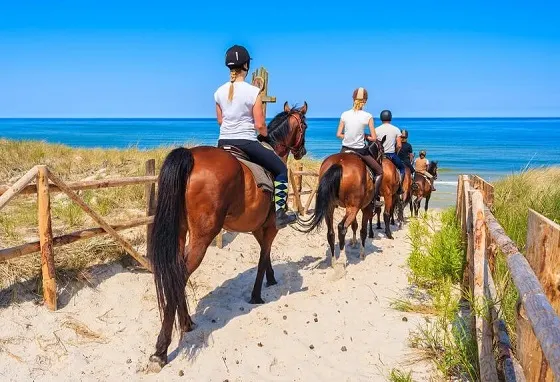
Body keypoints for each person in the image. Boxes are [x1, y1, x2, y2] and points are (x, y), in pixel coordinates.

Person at [214, 44, 297, 229]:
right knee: (281, 170)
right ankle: (280, 213)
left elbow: (220, 121)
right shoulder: (253, 92)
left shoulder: (219, 92)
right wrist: (266, 136)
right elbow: (260, 125)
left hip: (223, 142)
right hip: (246, 143)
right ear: (246, 66)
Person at [336, 87, 384, 207]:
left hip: (344, 148)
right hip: (360, 151)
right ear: (365, 101)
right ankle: (374, 199)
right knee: (379, 171)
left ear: (353, 99)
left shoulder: (344, 114)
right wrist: (365, 136)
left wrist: (348, 136)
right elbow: (373, 137)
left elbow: (338, 134)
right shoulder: (368, 116)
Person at [375, 110, 406, 194]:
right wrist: (396, 152)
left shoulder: (376, 130)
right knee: (402, 168)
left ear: (381, 118)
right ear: (390, 118)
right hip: (391, 155)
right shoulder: (396, 129)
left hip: (379, 156)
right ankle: (400, 187)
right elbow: (399, 145)